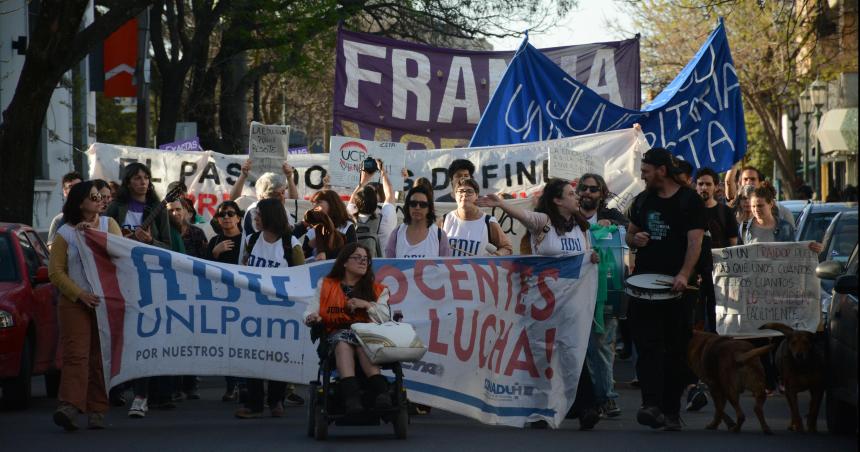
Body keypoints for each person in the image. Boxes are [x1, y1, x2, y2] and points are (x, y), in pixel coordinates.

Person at [477, 178, 602, 430]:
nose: (576, 197)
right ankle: (541, 409)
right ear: (557, 200)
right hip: (542, 305)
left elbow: (585, 257)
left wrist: (593, 258)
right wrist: (501, 204)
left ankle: (587, 406)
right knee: (542, 356)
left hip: (572, 305)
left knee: (572, 351)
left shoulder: (582, 227)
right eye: (570, 193)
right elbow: (521, 215)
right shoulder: (543, 223)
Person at [624, 147, 706, 431]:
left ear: (662, 170)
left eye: (646, 171)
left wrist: (684, 274)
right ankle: (651, 405)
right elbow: (630, 233)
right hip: (644, 287)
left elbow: (696, 242)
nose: (642, 176)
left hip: (678, 288)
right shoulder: (642, 201)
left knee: (676, 349)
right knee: (647, 346)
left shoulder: (689, 201)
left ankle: (671, 409)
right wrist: (636, 239)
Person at [105, 162, 180, 417]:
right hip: (121, 277)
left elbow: (169, 247)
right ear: (128, 182)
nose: (143, 182)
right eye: (137, 178)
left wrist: (152, 241)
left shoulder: (157, 209)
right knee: (121, 335)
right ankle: (115, 388)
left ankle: (142, 395)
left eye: (146, 177)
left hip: (149, 279)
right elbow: (106, 239)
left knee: (145, 335)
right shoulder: (116, 208)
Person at [49, 181, 121, 431]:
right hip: (74, 302)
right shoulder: (65, 233)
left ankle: (97, 409)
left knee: (100, 356)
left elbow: (120, 256)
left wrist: (93, 236)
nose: (100, 200)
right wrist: (79, 294)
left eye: (102, 197)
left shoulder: (108, 225)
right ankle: (70, 406)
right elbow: (55, 272)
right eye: (94, 197)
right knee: (76, 354)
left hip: (104, 301)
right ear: (80, 202)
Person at [235, 198, 305, 418]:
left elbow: (300, 277)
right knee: (252, 355)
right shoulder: (252, 239)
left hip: (281, 311)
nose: (255, 218)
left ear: (271, 216)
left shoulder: (289, 243)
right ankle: (255, 403)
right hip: (253, 309)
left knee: (278, 355)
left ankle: (276, 400)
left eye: (259, 214)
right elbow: (242, 269)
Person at [303, 243, 393, 413]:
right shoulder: (326, 285)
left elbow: (385, 318)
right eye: (357, 258)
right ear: (344, 262)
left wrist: (367, 305)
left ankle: (382, 394)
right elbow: (310, 310)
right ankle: (352, 398)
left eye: (365, 259)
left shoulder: (378, 290)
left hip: (367, 336)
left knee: (362, 345)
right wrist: (311, 317)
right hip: (336, 335)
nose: (362, 262)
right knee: (343, 343)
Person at [575, 173, 628, 419]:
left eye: (593, 189)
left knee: (601, 346)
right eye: (583, 188)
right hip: (573, 294)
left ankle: (606, 398)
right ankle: (584, 400)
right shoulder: (567, 218)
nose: (587, 193)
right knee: (575, 347)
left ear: (602, 194)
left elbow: (630, 235)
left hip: (605, 294)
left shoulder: (613, 217)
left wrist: (615, 228)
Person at [166, 197, 207, 400]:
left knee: (192, 338)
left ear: (186, 211)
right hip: (170, 292)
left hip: (194, 292)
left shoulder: (197, 233)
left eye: (178, 209)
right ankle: (173, 387)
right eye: (171, 210)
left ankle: (190, 385)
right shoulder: (163, 234)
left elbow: (205, 263)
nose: (175, 213)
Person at [205, 201, 246, 402]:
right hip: (220, 300)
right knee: (227, 345)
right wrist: (215, 252)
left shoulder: (248, 240)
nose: (227, 217)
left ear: (239, 217)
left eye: (231, 213)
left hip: (244, 300)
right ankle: (231, 386)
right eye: (222, 215)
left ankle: (244, 386)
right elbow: (202, 269)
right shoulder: (214, 241)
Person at [442, 178, 512, 257]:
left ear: (477, 195)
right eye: (460, 191)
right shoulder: (444, 220)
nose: (464, 194)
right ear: (455, 196)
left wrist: (498, 255)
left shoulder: (488, 222)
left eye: (469, 191)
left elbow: (507, 248)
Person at [386, 185, 451, 258]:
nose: (417, 207)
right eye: (413, 204)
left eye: (422, 205)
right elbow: (389, 266)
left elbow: (445, 267)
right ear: (408, 206)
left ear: (429, 208)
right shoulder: (396, 234)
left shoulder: (440, 236)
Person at [348, 159, 397, 255]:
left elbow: (352, 200)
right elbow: (389, 193)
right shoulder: (385, 219)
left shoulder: (350, 218)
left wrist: (363, 181)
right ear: (377, 202)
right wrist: (382, 171)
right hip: (380, 267)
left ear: (357, 203)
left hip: (356, 265)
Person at [726, 166, 794, 224]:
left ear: (760, 183)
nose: (749, 182)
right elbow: (728, 182)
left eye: (753, 179)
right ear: (739, 183)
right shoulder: (732, 210)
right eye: (745, 179)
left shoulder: (781, 212)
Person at [47, 171, 83, 250]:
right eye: (71, 187)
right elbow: (51, 248)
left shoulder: (96, 216)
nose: (75, 190)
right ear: (64, 192)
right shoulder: (59, 220)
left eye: (78, 186)